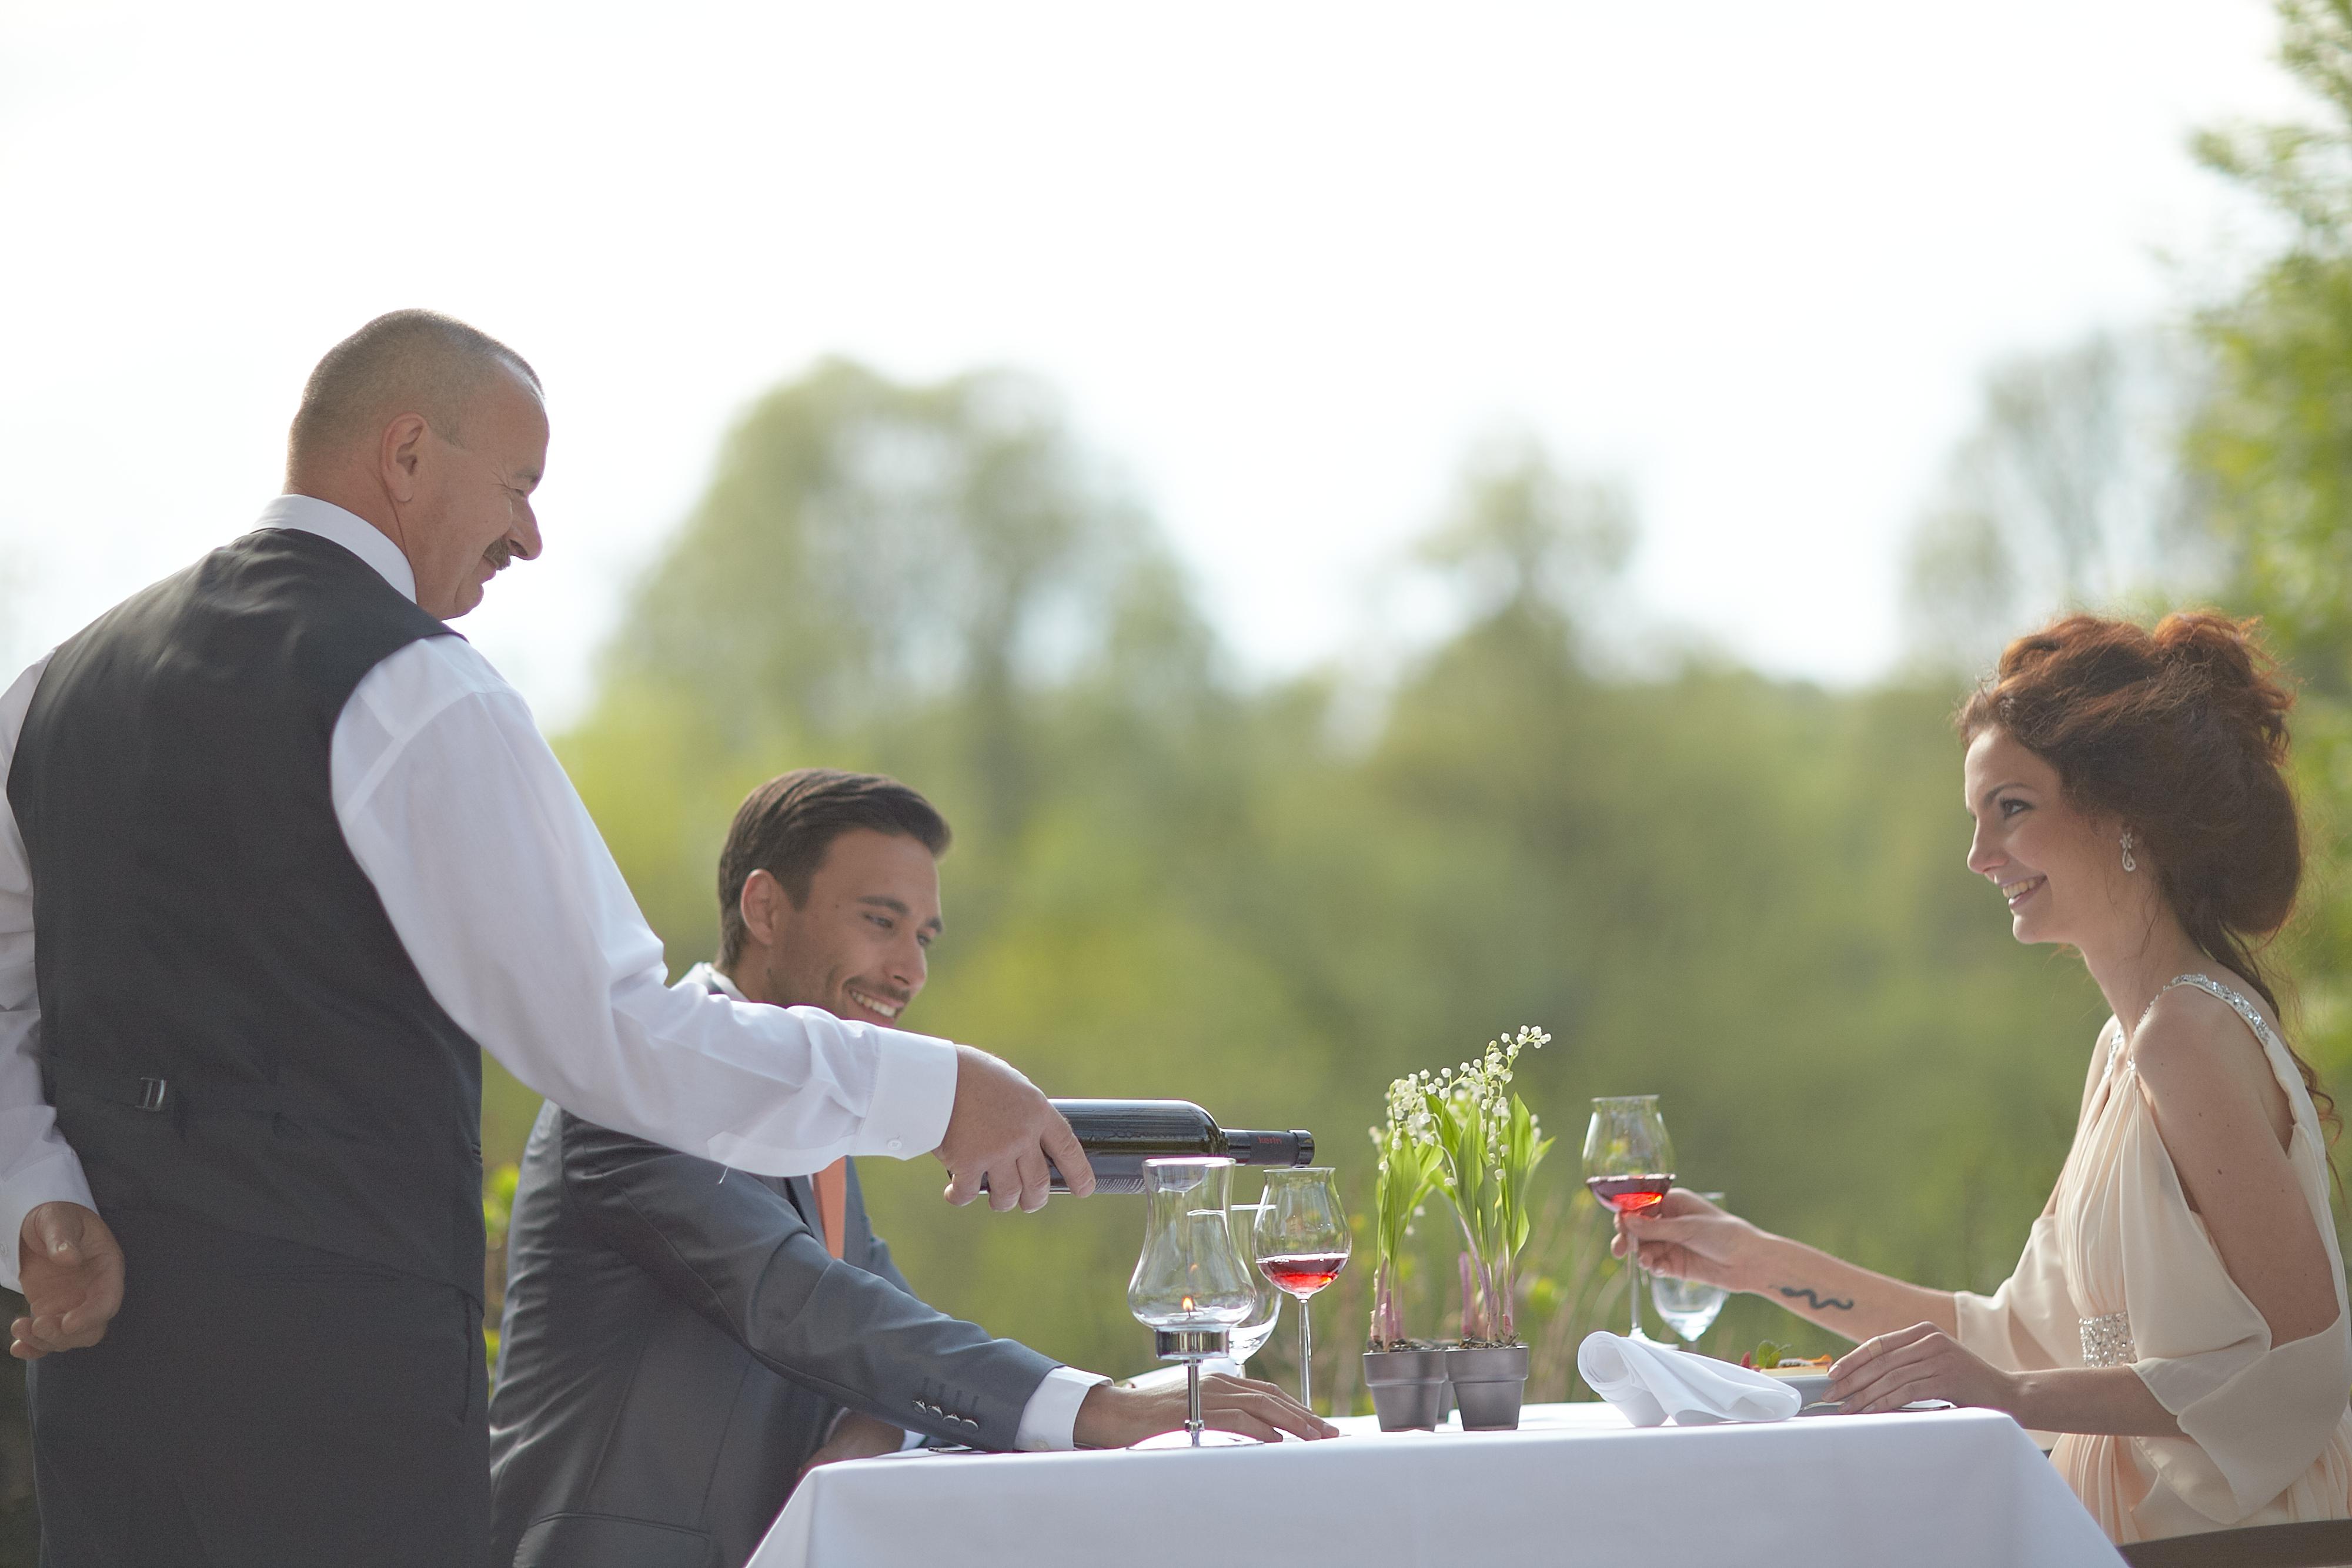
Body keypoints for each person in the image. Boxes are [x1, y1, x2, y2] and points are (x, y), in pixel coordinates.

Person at [0, 311, 1094, 1567]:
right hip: (341, 1408)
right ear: (407, 453)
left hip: (108, 1409)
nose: (529, 532)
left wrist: (39, 1199)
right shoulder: (414, 686)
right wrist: (937, 1086)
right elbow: (611, 1034)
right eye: (517, 485)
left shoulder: (45, 692)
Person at [1621, 611, 2352, 1545]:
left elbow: (2306, 1365)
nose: (1980, 857)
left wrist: (2007, 1393)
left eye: (2011, 808)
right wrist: (1756, 1261)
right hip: (2145, 1530)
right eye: (1977, 818)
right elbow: (2005, 1339)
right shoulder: (2127, 1048)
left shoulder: (2186, 1036)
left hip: (2250, 1543)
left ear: (2124, 814)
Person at [488, 767, 1332, 1566]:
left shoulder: (803, 1115)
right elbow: (806, 1307)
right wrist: (1101, 1409)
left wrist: (875, 1427)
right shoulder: (641, 1093)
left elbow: (880, 1333)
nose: (911, 970)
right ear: (765, 909)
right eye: (880, 922)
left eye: (922, 936)